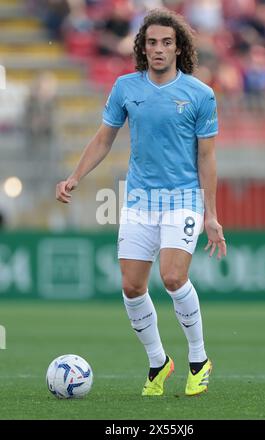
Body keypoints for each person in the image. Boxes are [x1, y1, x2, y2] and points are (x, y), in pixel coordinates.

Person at [56, 8, 227, 397]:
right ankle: (158, 362)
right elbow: (104, 139)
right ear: (142, 47)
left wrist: (211, 215)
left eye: (167, 42)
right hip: (137, 199)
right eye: (152, 42)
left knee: (172, 277)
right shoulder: (125, 88)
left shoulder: (200, 94)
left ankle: (198, 359)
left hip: (182, 198)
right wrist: (75, 177)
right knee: (132, 287)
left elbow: (207, 157)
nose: (159, 49)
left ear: (179, 48)